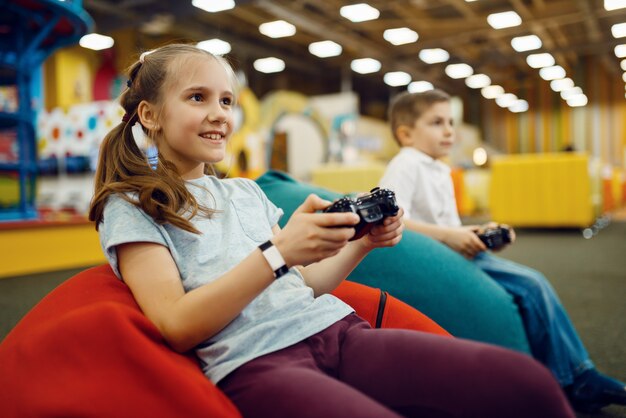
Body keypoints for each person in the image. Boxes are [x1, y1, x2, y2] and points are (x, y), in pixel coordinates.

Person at [88, 43, 574, 418]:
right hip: (256, 363)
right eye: (198, 98)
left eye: (227, 101)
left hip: (337, 332)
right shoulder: (127, 204)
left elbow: (302, 287)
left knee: (525, 382)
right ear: (149, 114)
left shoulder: (246, 192)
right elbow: (175, 325)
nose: (220, 114)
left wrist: (359, 245)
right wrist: (278, 253)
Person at [379, 89, 626, 414]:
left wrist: (480, 234)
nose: (450, 130)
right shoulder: (407, 163)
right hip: (437, 260)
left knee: (529, 285)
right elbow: (393, 217)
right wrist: (450, 236)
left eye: (451, 122)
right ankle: (578, 378)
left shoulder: (436, 167)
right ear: (406, 134)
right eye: (437, 122)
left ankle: (573, 374)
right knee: (531, 283)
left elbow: (448, 224)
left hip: (455, 253)